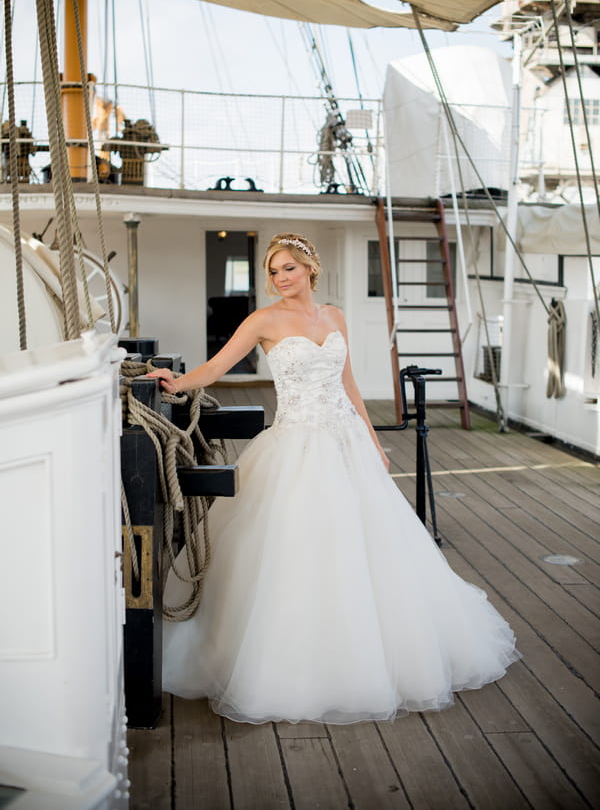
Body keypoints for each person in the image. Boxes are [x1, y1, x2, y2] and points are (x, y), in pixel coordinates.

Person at [149, 232, 520, 725]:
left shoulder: (336, 316)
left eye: (288, 269)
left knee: (368, 545)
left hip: (345, 442)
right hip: (297, 445)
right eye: (273, 271)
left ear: (310, 269)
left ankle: (371, 649)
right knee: (298, 547)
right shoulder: (264, 320)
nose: (280, 278)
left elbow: (350, 387)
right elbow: (217, 367)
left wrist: (371, 439)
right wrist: (176, 382)